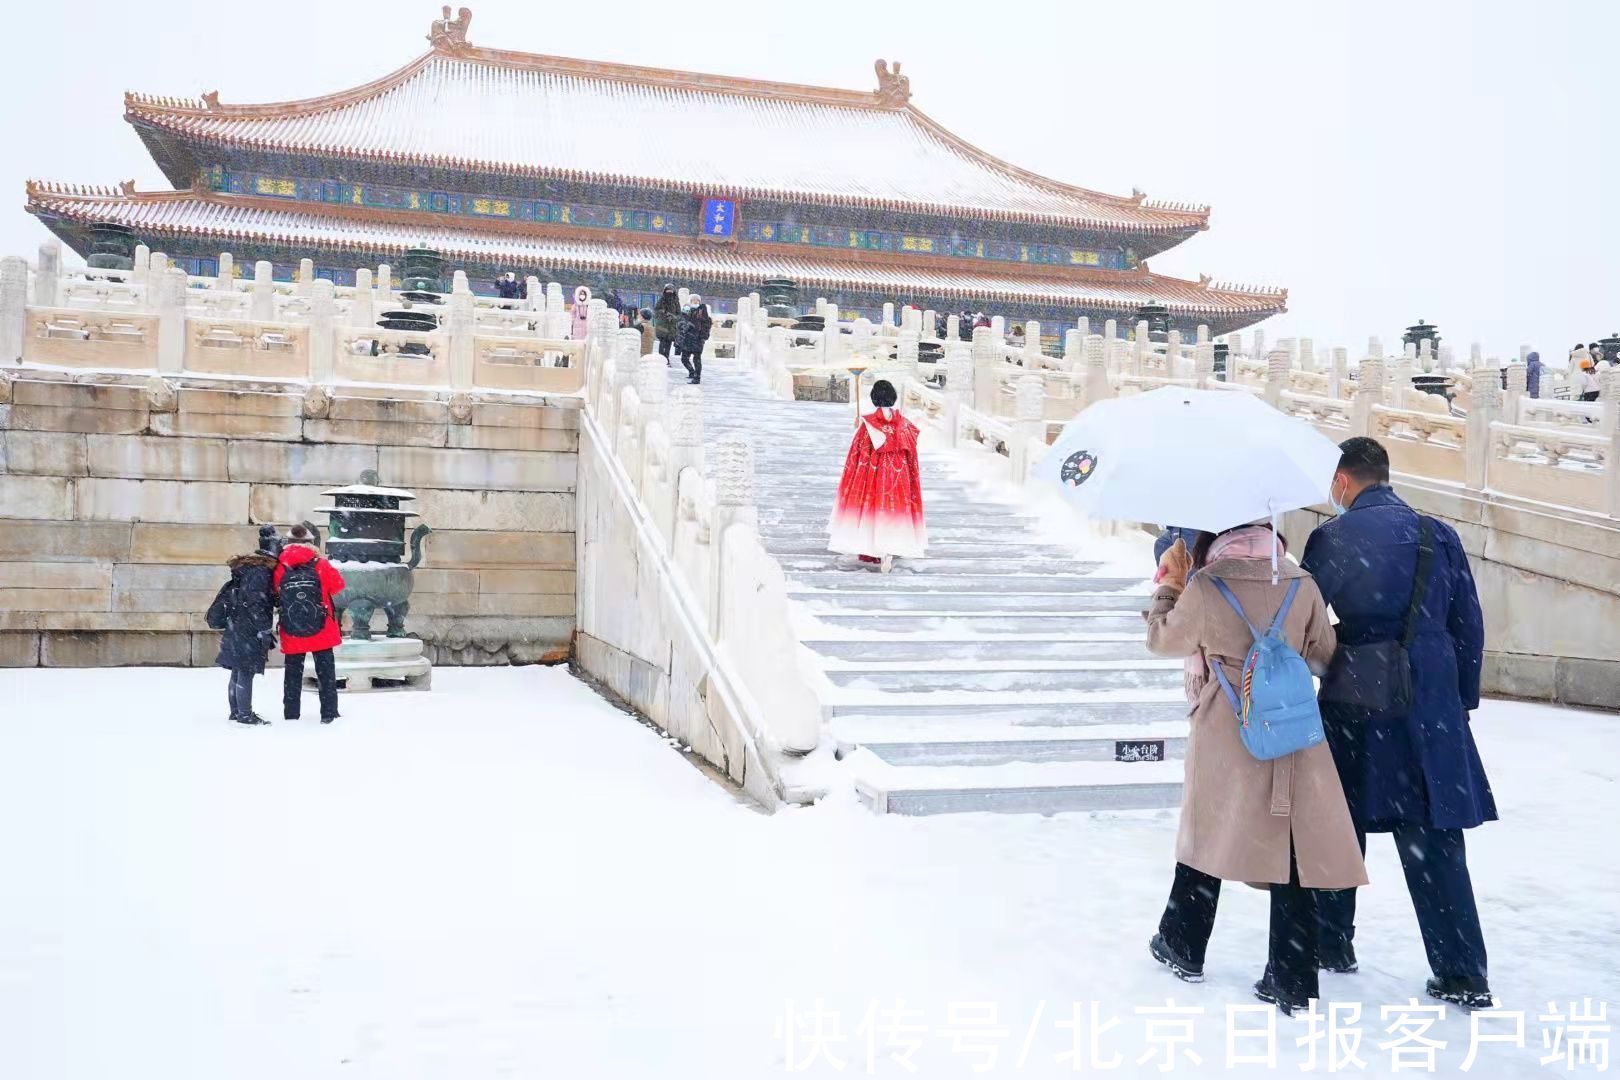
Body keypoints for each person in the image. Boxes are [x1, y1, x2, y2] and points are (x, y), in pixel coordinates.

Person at [1302, 437, 1497, 1010]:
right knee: (1434, 835)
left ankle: (1330, 943)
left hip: (1358, 694)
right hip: (1428, 698)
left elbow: (1308, 620)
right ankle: (1462, 971)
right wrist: (1458, 700)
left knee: (1338, 821)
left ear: (1342, 482)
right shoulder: (1439, 535)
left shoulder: (1333, 538)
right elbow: (1469, 623)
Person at [1145, 527, 1366, 1015]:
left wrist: (1169, 588)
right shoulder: (1300, 581)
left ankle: (1184, 944)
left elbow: (1162, 639)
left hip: (1227, 720)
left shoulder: (1208, 583)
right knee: (1290, 843)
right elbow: (1324, 655)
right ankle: (1290, 976)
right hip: (1286, 723)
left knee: (1209, 830)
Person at [828, 379, 927, 573]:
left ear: (874, 399)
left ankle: (873, 547)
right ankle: (891, 549)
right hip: (899, 480)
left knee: (872, 512)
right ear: (893, 398)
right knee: (895, 512)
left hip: (873, 477)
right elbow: (912, 457)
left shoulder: (868, 427)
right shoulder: (905, 426)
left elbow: (856, 456)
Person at [206, 525, 281, 725]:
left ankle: (236, 711)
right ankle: (245, 715)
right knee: (245, 671)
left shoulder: (248, 569)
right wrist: (264, 628)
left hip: (237, 624)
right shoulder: (261, 571)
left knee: (238, 670)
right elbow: (256, 602)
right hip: (248, 628)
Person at [274, 524, 347, 724]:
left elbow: (275, 591)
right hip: (321, 627)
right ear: (311, 543)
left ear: (287, 543)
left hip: (292, 628)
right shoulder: (320, 564)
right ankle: (329, 713)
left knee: (292, 675)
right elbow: (338, 586)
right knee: (326, 674)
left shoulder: (280, 565)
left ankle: (291, 714)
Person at [675, 294, 712, 384]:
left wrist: (703, 336)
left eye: (697, 300)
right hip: (688, 339)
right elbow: (681, 321)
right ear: (690, 302)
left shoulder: (702, 311)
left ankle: (697, 377)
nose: (695, 302)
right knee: (684, 358)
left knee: (697, 359)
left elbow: (706, 324)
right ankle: (692, 372)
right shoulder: (687, 310)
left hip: (698, 339)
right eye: (693, 300)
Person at [654, 284, 681, 365]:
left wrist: (673, 317)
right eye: (668, 290)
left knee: (668, 343)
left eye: (671, 291)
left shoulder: (676, 302)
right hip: (662, 325)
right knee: (662, 342)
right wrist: (664, 314)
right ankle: (660, 358)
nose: (669, 292)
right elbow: (656, 311)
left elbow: (679, 314)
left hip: (672, 326)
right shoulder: (661, 300)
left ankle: (666, 358)